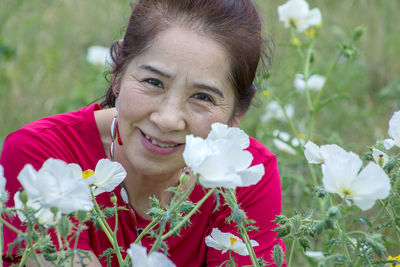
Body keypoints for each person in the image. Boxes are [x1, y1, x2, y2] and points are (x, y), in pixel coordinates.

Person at [0, 0, 286, 266]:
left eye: (202, 97)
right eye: (153, 82)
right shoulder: (41, 154)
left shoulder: (245, 175)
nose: (167, 120)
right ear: (119, 74)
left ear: (237, 114)